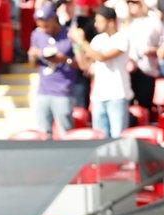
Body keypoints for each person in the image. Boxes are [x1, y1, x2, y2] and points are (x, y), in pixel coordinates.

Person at [72, 6, 132, 138]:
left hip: (117, 95)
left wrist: (82, 41)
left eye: (99, 21)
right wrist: (76, 44)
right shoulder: (97, 40)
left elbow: (102, 57)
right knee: (99, 138)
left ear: (110, 22)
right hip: (99, 96)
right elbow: (84, 64)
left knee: (118, 138)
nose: (95, 25)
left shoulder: (122, 38)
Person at [29, 3, 77, 138]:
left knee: (66, 132)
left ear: (54, 19)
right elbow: (33, 64)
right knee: (44, 133)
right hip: (43, 90)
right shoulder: (37, 35)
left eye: (46, 25)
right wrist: (33, 55)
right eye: (40, 26)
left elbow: (81, 64)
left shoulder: (69, 35)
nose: (44, 29)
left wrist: (64, 59)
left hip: (63, 90)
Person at [126, 0, 163, 112]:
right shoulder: (126, 23)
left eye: (135, 2)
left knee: (145, 107)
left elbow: (162, 47)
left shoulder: (153, 22)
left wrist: (153, 50)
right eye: (129, 3)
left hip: (147, 70)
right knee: (129, 108)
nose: (132, 6)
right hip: (129, 71)